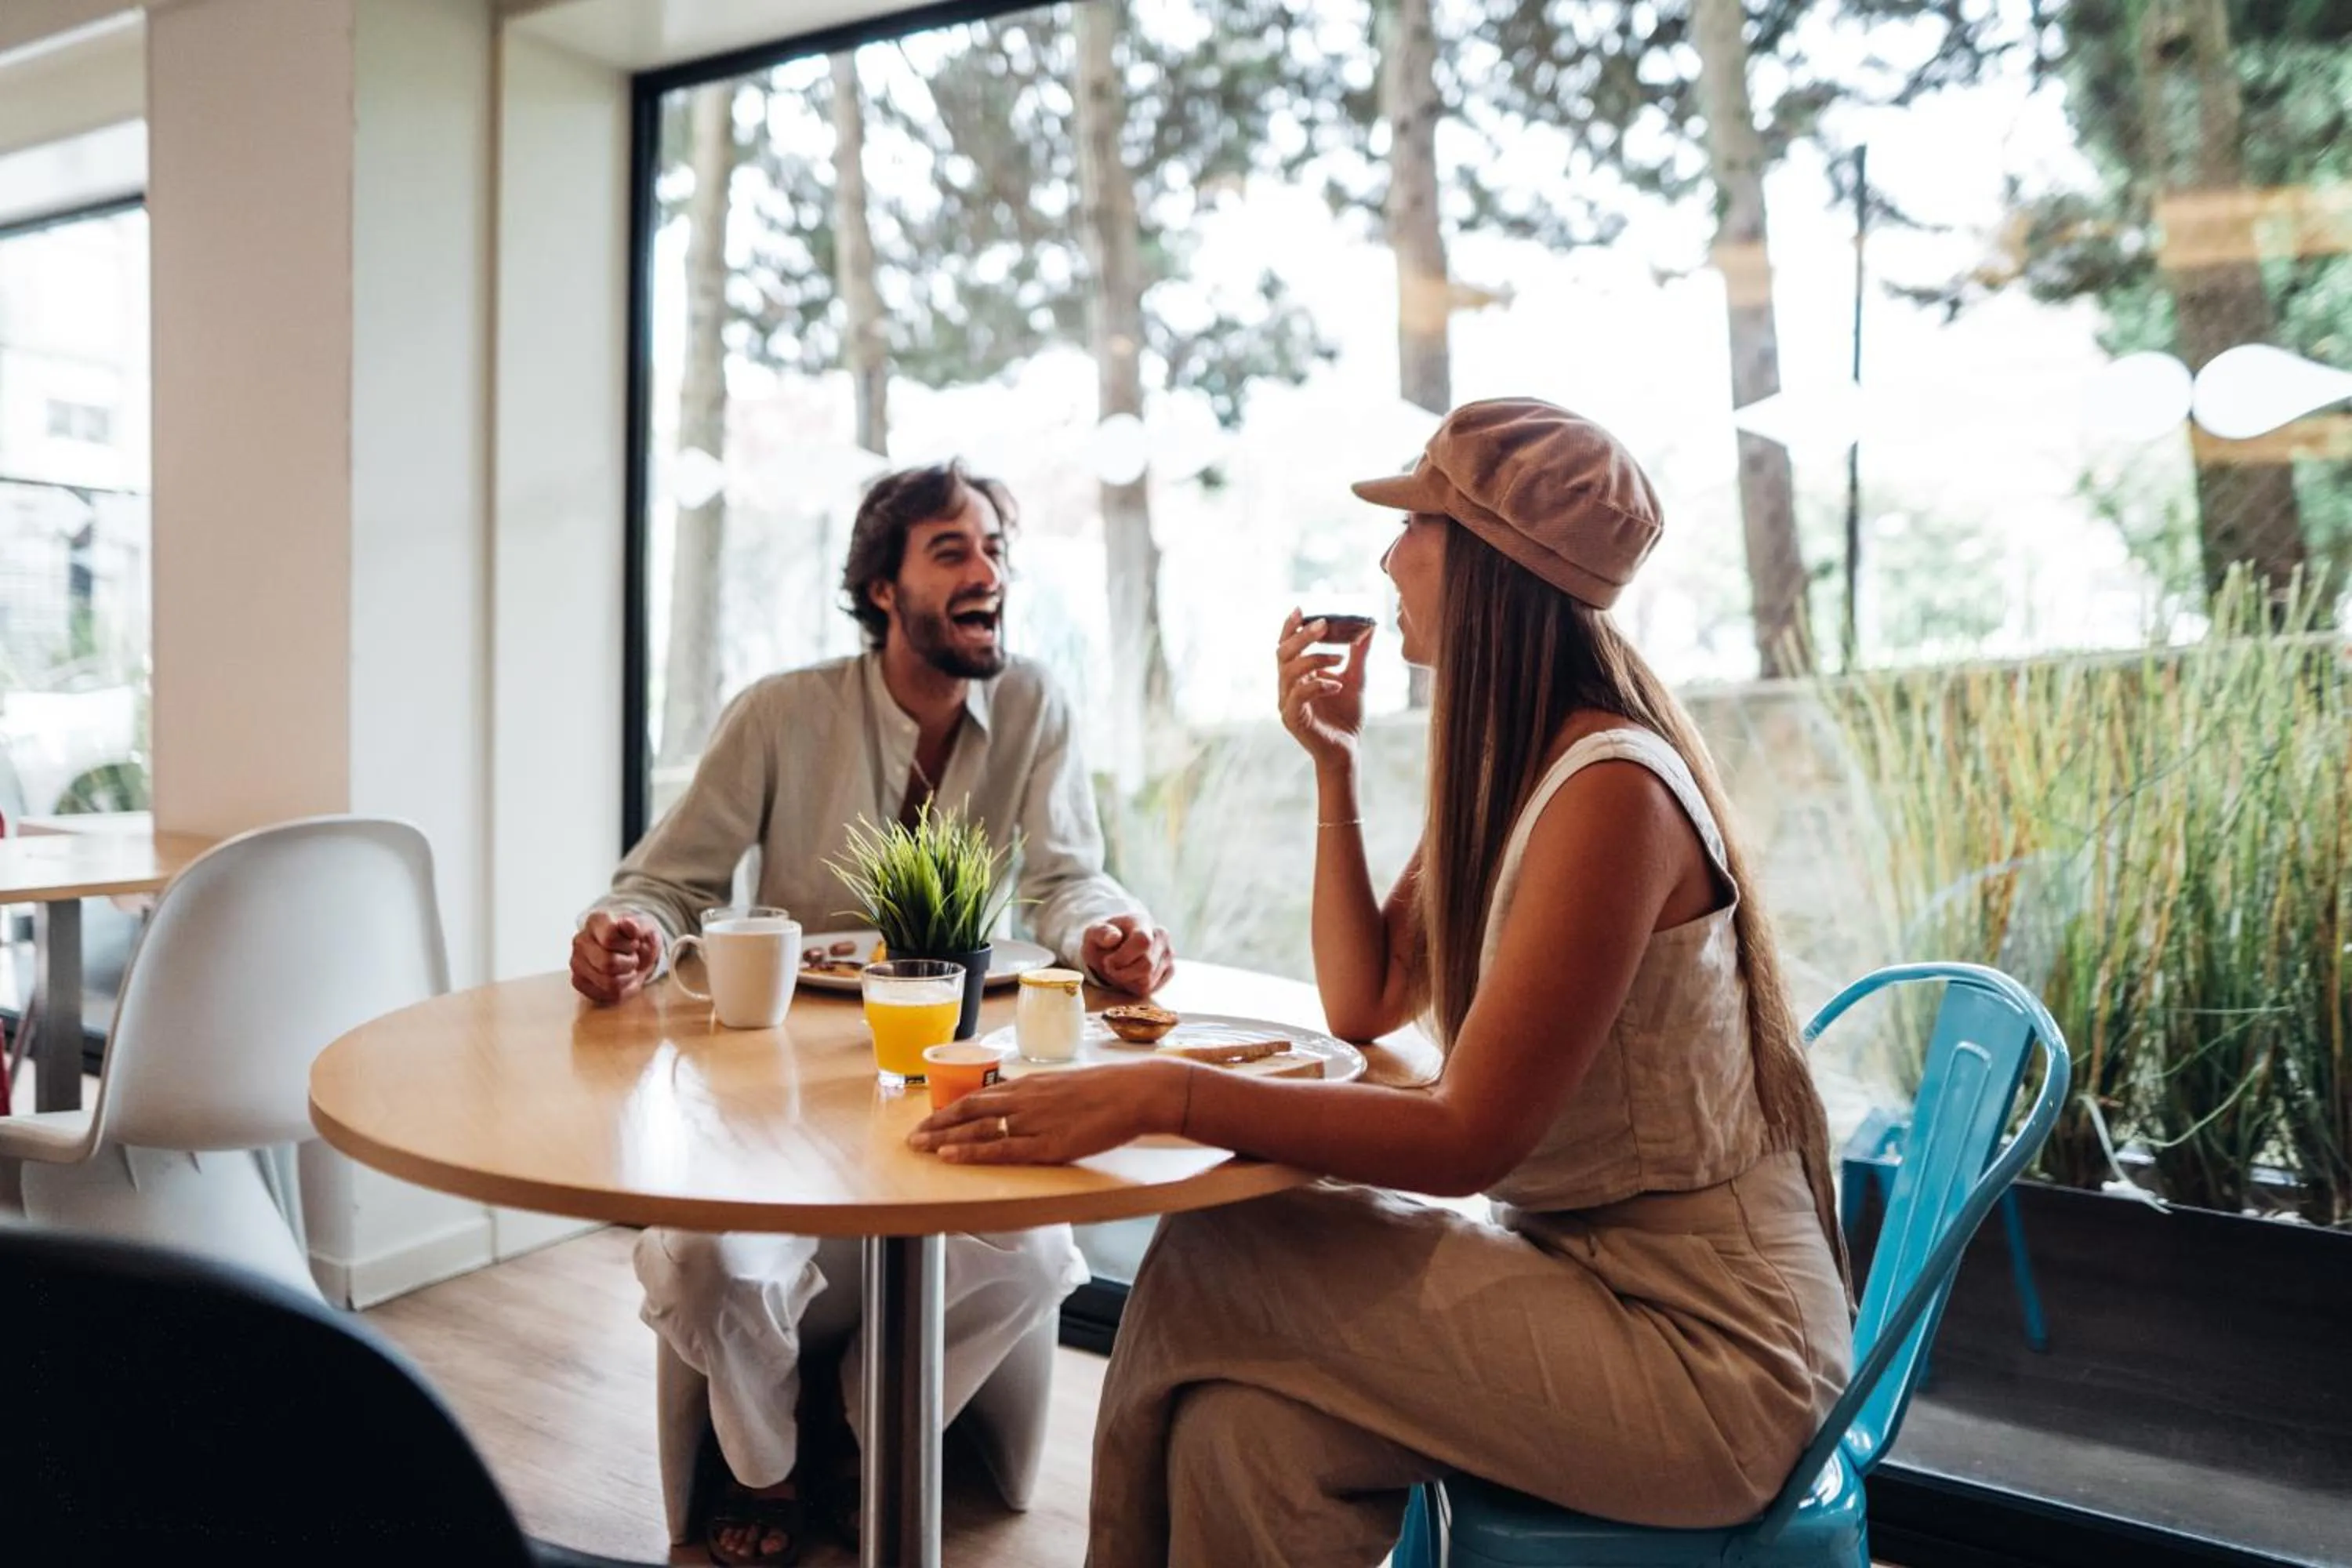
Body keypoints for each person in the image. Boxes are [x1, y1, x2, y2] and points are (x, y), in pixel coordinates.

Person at [909, 400, 1855, 1567]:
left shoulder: (1610, 793)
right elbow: (1365, 1002)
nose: (1389, 554)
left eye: (1415, 522)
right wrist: (1334, 767)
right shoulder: (1520, 764)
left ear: (1488, 564)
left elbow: (1468, 1143)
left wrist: (1164, 1093)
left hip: (1711, 1363)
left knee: (1224, 1249)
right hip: (1585, 1282)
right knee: (1242, 1437)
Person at [573, 459, 1174, 1566]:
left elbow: (1066, 877)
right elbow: (667, 883)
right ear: (885, 590)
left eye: (995, 547)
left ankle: (866, 1430)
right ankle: (770, 1465)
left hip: (951, 1082)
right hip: (781, 1094)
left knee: (1040, 1262)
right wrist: (630, 935)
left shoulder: (1034, 703)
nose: (986, 569)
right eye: (952, 549)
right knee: (707, 1264)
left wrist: (1108, 932)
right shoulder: (779, 714)